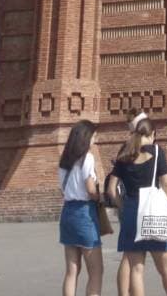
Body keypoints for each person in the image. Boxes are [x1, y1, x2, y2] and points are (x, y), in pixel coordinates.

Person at [106, 116, 167, 296]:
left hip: (131, 211)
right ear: (152, 134)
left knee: (136, 270)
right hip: (153, 212)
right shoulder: (157, 152)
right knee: (166, 269)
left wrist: (122, 206)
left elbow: (111, 189)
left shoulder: (124, 153)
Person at [58, 119, 103, 296]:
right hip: (84, 213)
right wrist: (99, 197)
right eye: (93, 136)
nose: (94, 139)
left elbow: (62, 189)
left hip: (67, 212)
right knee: (96, 271)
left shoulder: (64, 161)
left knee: (72, 271)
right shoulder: (87, 158)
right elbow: (90, 189)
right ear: (86, 137)